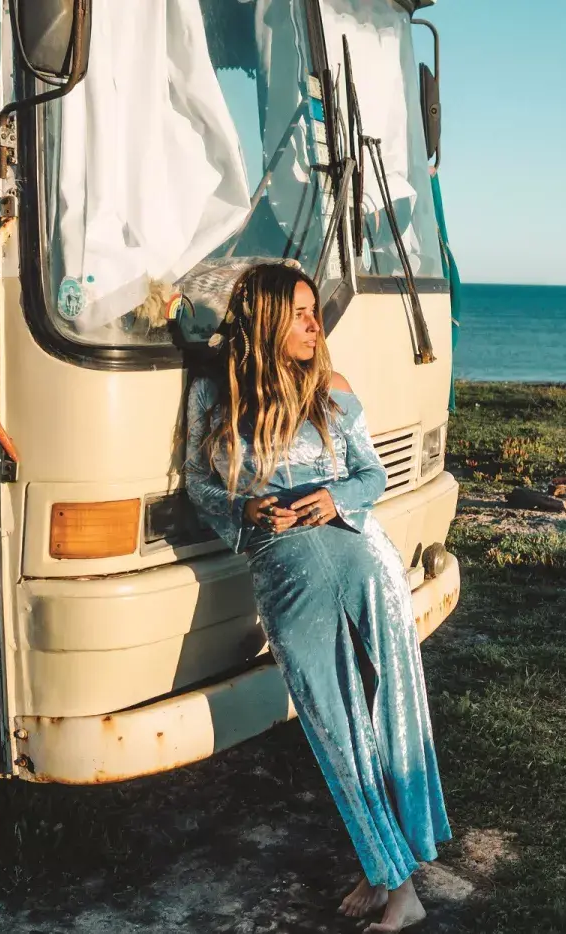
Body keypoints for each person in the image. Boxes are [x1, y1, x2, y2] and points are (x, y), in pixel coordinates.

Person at [183, 261, 450, 932]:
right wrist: (250, 515)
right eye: (300, 312)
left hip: (365, 560)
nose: (314, 323)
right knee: (336, 730)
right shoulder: (214, 399)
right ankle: (392, 877)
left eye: (313, 311)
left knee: (393, 711)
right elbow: (200, 486)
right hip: (290, 575)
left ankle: (395, 877)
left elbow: (372, 473)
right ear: (268, 320)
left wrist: (335, 497)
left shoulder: (334, 389)